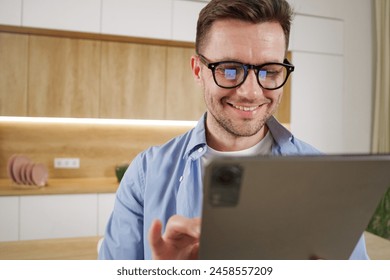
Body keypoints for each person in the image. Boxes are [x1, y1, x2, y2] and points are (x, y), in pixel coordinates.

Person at [98, 0, 369, 260]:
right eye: (229, 70)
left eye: (270, 71)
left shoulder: (326, 179)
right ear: (198, 71)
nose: (250, 92)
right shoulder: (146, 175)